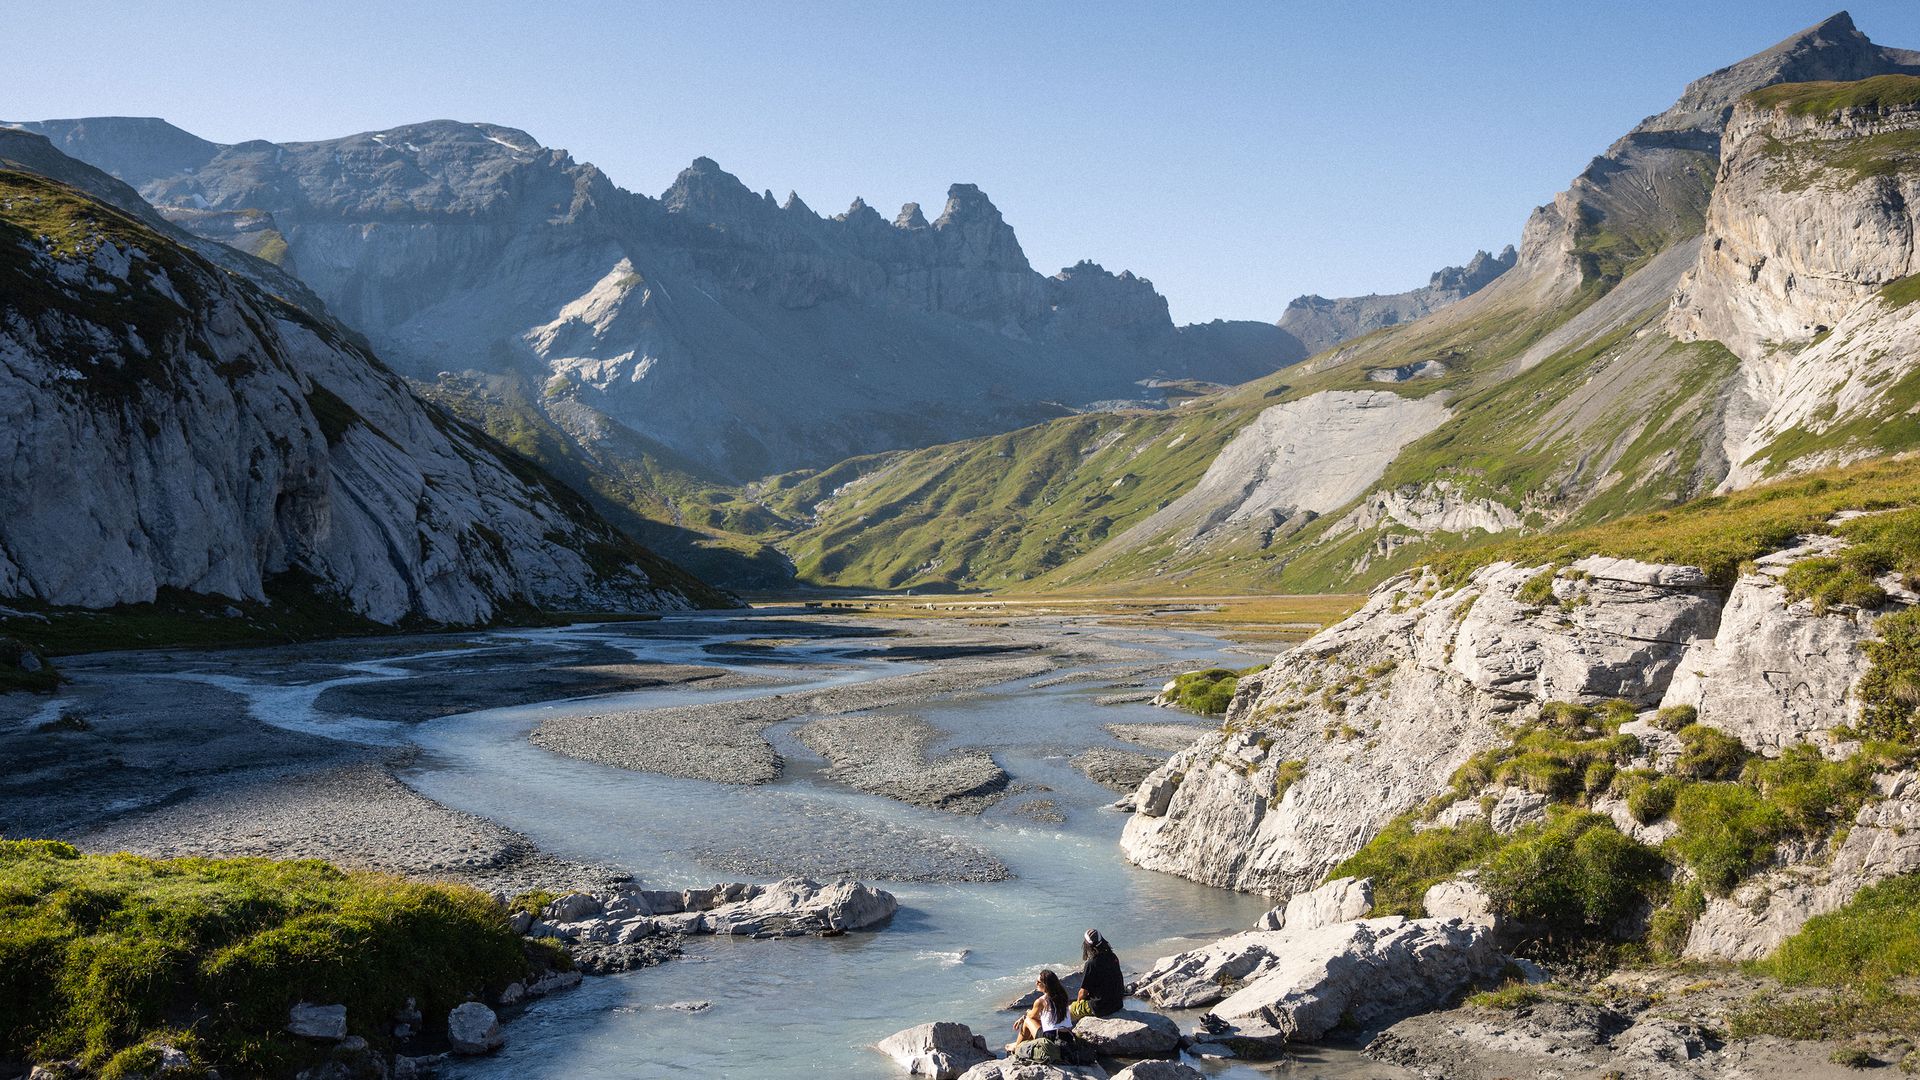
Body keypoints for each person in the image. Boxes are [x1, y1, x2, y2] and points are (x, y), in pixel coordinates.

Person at [1011, 969, 1076, 1049]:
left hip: (1051, 1037)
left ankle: (1017, 1047)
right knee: (1037, 1021)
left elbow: (1031, 1016)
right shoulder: (1063, 995)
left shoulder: (1041, 1001)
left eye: (1038, 982)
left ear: (1046, 985)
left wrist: (1025, 1015)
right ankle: (1023, 1044)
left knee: (1027, 1021)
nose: (1036, 984)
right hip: (1068, 1035)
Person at [1076, 929, 1125, 1018]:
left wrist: (1078, 1003)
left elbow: (1083, 992)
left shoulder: (1091, 964)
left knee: (1070, 1010)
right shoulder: (1113, 957)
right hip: (1117, 1004)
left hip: (1100, 1008)